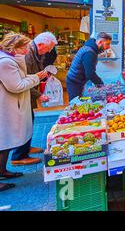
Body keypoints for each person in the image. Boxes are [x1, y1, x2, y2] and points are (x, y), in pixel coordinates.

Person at [0, 33, 48, 192]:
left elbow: (20, 78)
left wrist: (35, 76)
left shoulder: (11, 60)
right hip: (6, 106)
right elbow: (17, 85)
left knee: (5, 142)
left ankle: (3, 170)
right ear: (14, 47)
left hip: (10, 105)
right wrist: (36, 78)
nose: (27, 50)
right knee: (2, 142)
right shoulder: (6, 63)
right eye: (25, 47)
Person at [10, 32, 57, 166]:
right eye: (48, 48)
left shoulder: (36, 54)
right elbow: (23, 80)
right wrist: (39, 94)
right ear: (40, 44)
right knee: (23, 123)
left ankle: (25, 149)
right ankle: (18, 155)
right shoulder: (28, 56)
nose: (48, 52)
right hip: (23, 93)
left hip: (28, 92)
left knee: (29, 120)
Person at [66, 32, 112, 101]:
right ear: (100, 42)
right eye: (107, 44)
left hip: (78, 81)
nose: (109, 47)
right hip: (74, 81)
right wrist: (101, 84)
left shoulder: (91, 49)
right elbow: (90, 73)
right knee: (75, 104)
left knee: (80, 101)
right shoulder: (89, 53)